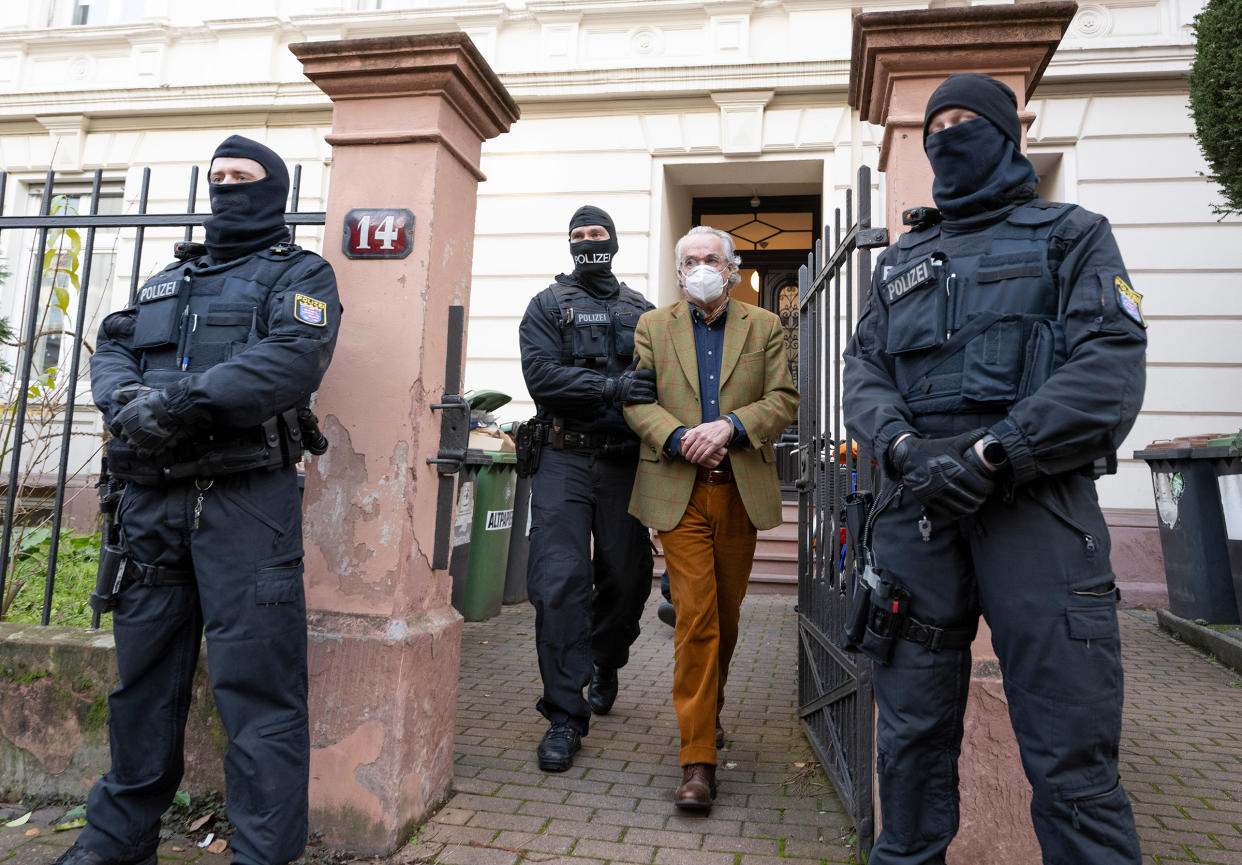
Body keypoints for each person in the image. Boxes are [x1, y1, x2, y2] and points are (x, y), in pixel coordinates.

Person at [842, 73, 1146, 864]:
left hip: (1035, 511)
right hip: (916, 514)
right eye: (933, 122)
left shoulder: (1073, 234)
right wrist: (904, 450)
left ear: (1008, 133)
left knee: (1070, 748)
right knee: (907, 742)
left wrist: (995, 452)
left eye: (966, 118)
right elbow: (862, 371)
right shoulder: (901, 260)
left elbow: (1108, 369)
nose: (946, 131)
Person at [58, 135, 341, 865]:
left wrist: (177, 403)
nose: (226, 188)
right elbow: (113, 342)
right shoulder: (166, 279)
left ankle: (263, 853)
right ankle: (119, 838)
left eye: (242, 177)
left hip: (245, 503)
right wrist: (122, 398)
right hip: (150, 503)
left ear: (272, 189)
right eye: (217, 178)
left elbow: (288, 360)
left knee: (259, 689)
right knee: (142, 682)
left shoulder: (301, 272)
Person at [624, 226, 798, 811]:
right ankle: (697, 758)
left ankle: (709, 713)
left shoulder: (765, 325)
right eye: (691, 259)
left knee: (725, 615)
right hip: (679, 492)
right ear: (678, 271)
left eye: (712, 259)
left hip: (739, 491)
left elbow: (784, 399)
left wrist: (733, 426)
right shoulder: (652, 326)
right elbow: (636, 398)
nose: (701, 267)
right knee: (695, 618)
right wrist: (677, 436)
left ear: (732, 268)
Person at [518, 205, 656, 773]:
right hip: (562, 457)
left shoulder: (643, 311)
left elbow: (663, 380)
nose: (588, 242)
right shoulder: (547, 306)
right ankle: (564, 717)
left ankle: (606, 657)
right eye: (578, 236)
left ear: (615, 240)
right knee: (559, 582)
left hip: (625, 461)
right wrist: (612, 385)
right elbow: (542, 378)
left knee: (627, 580)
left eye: (597, 234)